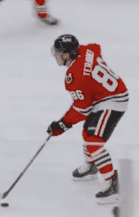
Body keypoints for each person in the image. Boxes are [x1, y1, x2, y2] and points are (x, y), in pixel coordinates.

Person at [47, 34, 129, 204]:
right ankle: (92, 167)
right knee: (88, 133)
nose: (56, 56)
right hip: (104, 98)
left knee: (93, 141)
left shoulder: (74, 77)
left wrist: (62, 124)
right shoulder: (86, 50)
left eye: (59, 53)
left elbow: (83, 109)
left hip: (113, 101)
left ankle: (114, 185)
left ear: (67, 55)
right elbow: (95, 47)